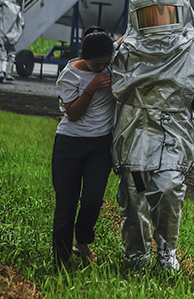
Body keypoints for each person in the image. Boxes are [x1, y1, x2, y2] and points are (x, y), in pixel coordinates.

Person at [111, 0, 194, 271]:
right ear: (138, 17)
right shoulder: (125, 51)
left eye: (166, 13)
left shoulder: (192, 51)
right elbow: (102, 86)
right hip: (135, 130)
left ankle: (166, 252)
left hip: (174, 133)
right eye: (152, 15)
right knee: (135, 195)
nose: (159, 21)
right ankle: (137, 256)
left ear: (182, 12)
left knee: (169, 187)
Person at [51, 28, 115, 269]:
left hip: (99, 145)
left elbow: (122, 41)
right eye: (96, 64)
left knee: (92, 199)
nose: (101, 67)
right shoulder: (69, 76)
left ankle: (83, 241)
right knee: (66, 204)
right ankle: (61, 260)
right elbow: (73, 114)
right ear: (84, 57)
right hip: (69, 144)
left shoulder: (110, 62)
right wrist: (92, 87)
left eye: (105, 63)